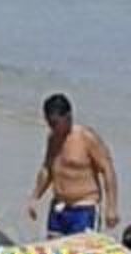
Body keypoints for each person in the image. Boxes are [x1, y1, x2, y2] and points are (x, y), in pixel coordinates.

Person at [29, 93, 118, 236]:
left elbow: (108, 169)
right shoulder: (52, 139)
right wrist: (34, 197)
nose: (51, 127)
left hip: (84, 209)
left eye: (55, 123)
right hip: (59, 208)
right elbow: (47, 169)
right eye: (49, 123)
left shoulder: (86, 138)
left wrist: (111, 208)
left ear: (68, 117)